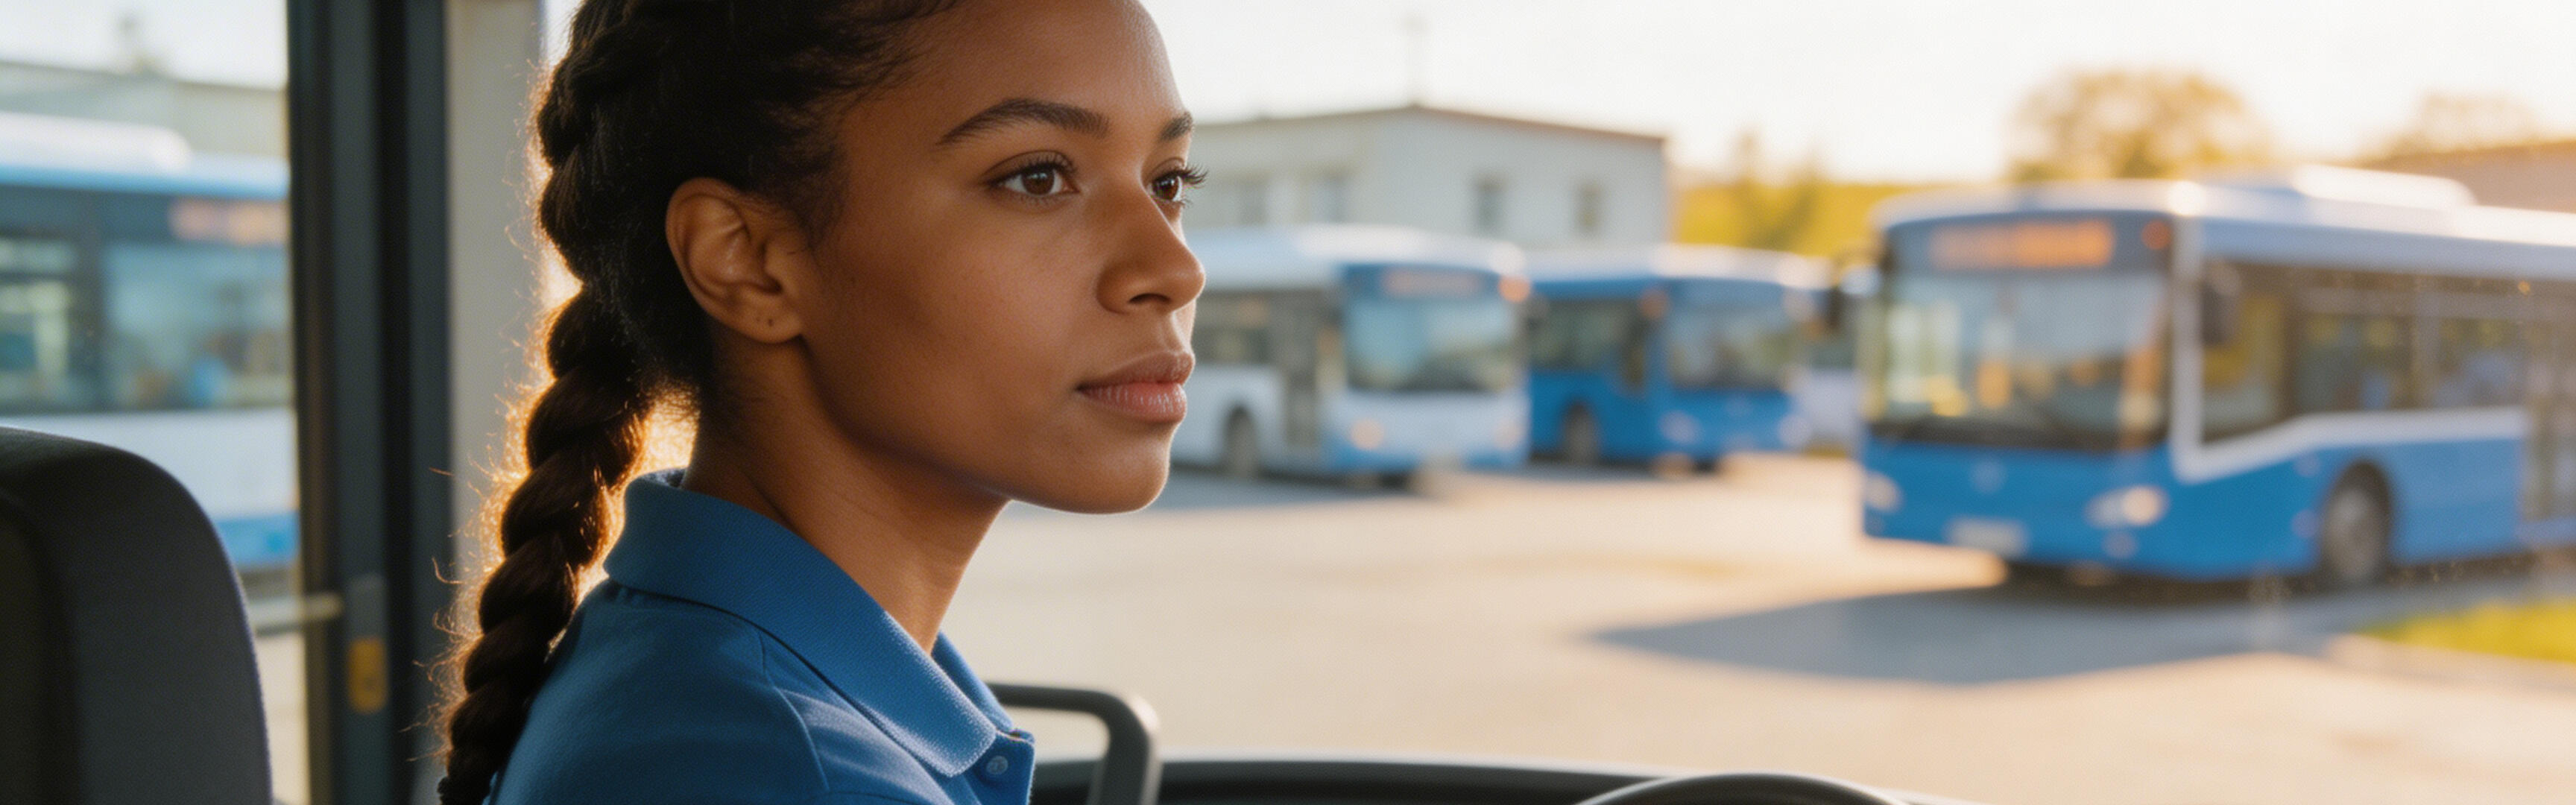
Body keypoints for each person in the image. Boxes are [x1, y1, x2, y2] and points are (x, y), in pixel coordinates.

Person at [435, 1, 1203, 803]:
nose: (1177, 270)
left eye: (1169, 182)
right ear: (747, 260)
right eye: (1036, 178)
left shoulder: (684, 675)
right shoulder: (796, 771)